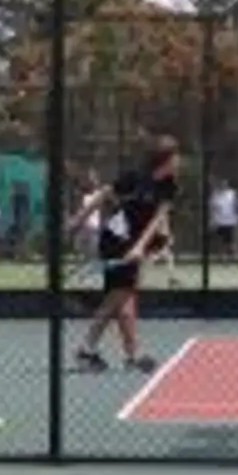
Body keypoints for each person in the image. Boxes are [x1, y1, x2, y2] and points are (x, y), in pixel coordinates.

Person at [72, 137, 180, 372]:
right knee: (117, 298)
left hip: (132, 243)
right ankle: (86, 349)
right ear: (166, 159)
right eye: (175, 157)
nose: (178, 161)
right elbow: (103, 194)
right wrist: (78, 220)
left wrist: (142, 246)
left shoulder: (169, 185)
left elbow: (157, 218)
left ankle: (132, 355)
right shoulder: (135, 177)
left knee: (126, 299)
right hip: (113, 239)